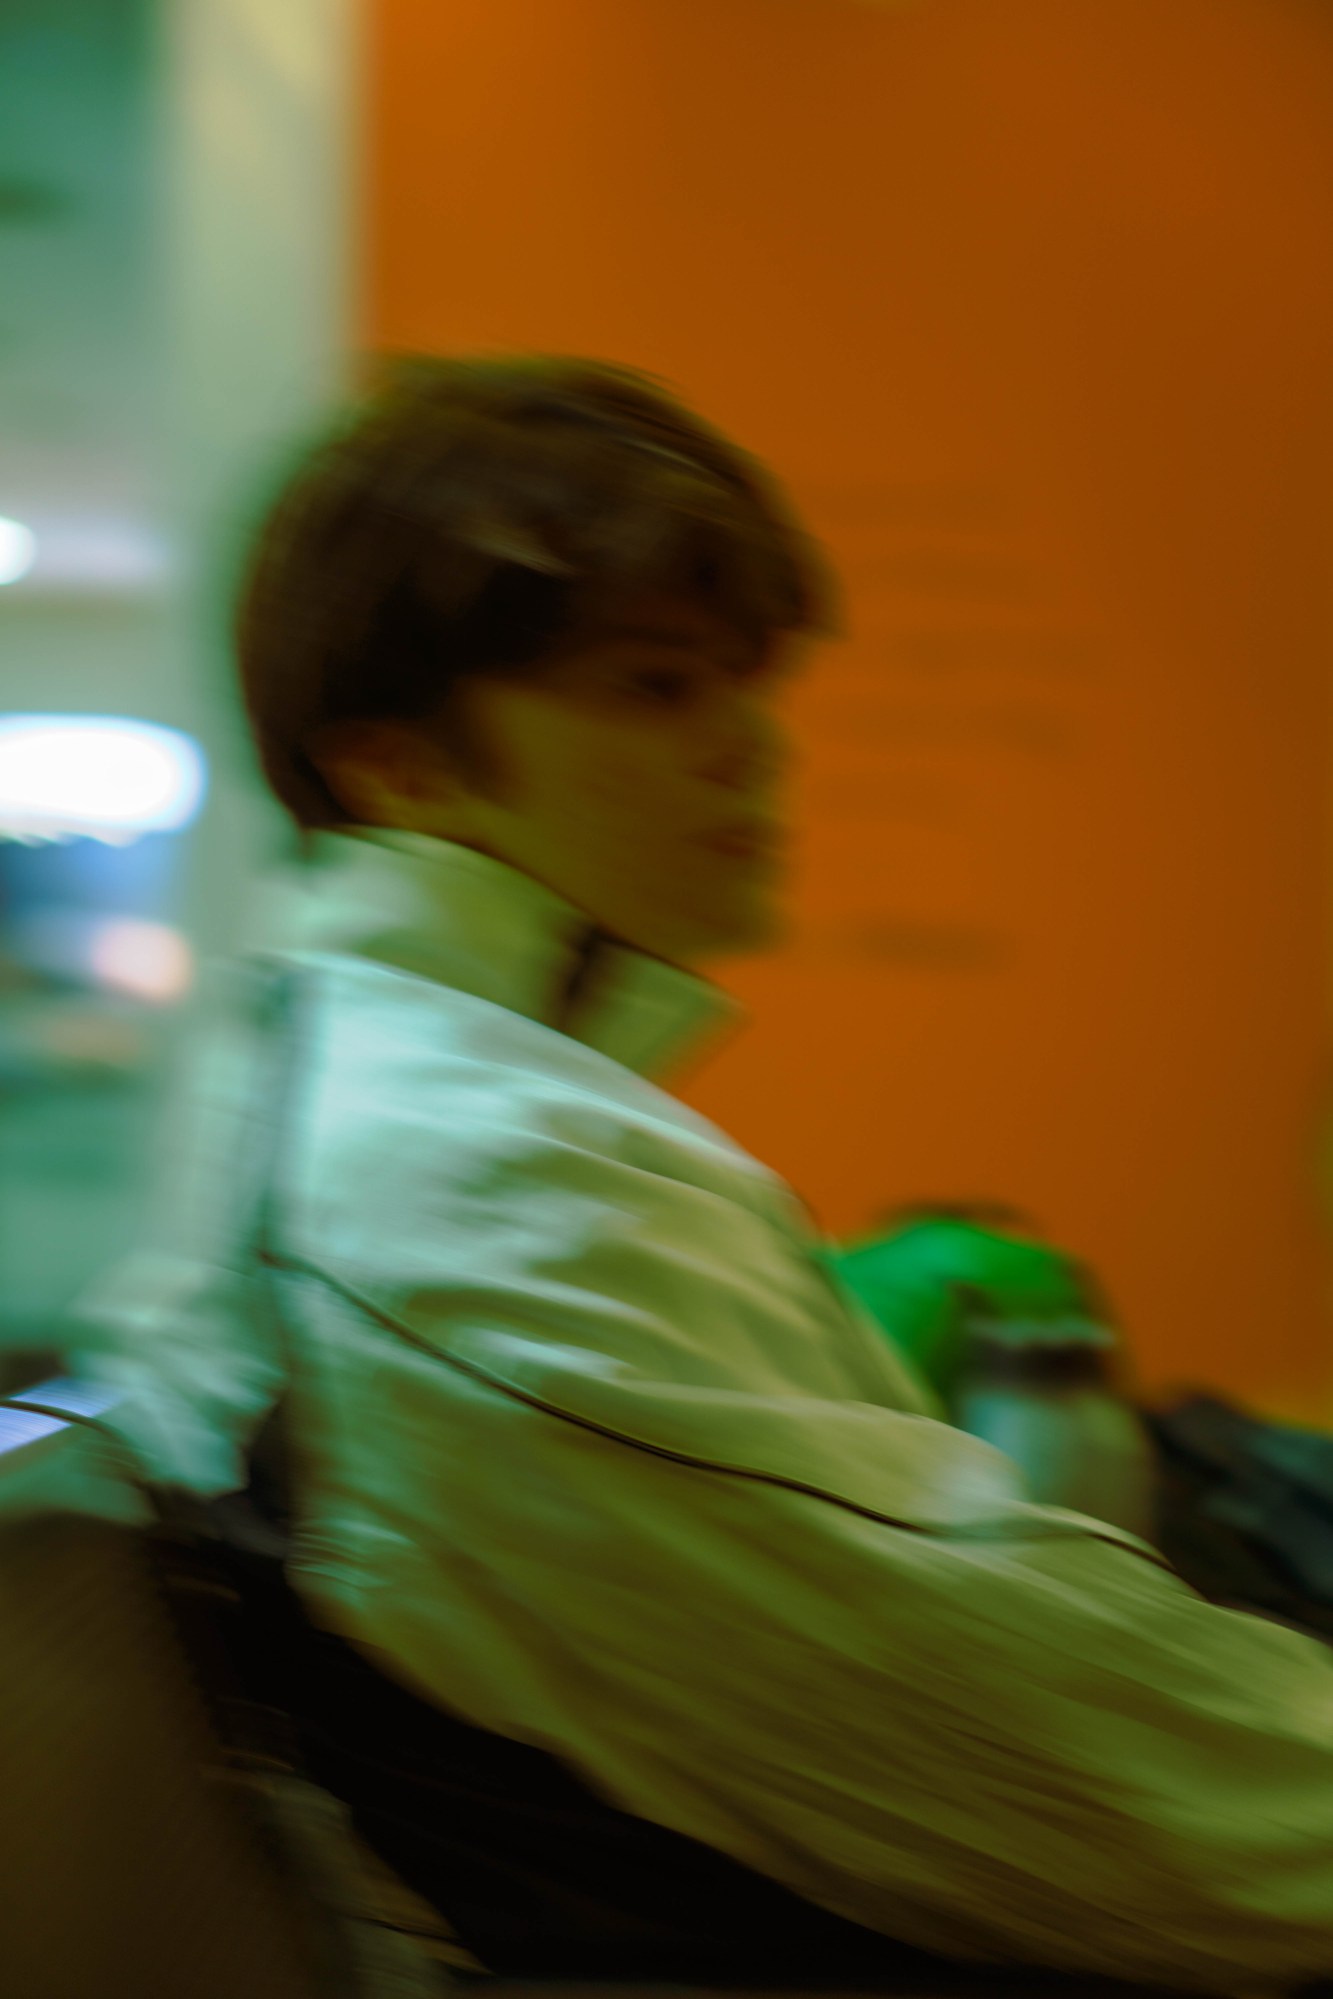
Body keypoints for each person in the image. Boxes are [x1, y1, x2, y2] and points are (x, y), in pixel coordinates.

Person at [67, 354, 1333, 1992]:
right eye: (656, 687)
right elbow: (1051, 1750)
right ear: (401, 768)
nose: (754, 753)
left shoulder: (378, 1077)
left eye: (745, 687)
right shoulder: (471, 1178)